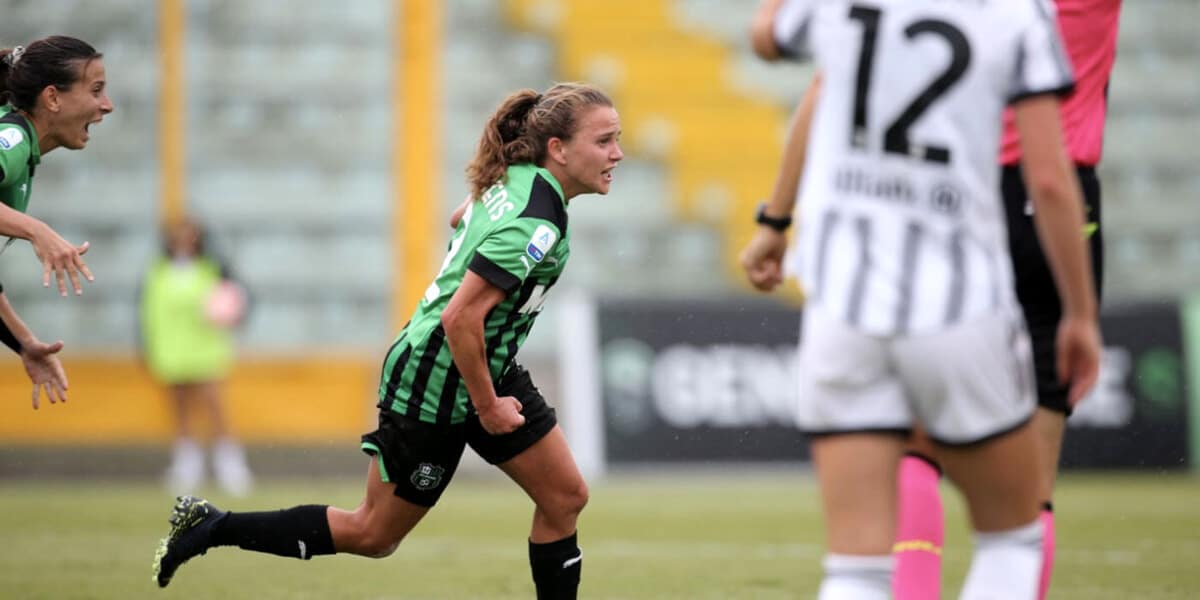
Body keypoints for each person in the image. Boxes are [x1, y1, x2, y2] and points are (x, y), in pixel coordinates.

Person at [152, 82, 623, 599]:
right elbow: (459, 318)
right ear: (558, 148)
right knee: (373, 533)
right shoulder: (534, 224)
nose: (616, 154)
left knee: (564, 497)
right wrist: (487, 407)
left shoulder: (522, 183)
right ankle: (210, 525)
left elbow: (461, 217)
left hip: (486, 364)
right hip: (434, 375)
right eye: (604, 142)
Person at [744, 1, 1101, 598]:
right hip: (961, 304)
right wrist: (1082, 314)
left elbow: (765, 36)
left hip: (843, 302)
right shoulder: (1018, 14)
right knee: (1011, 540)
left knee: (855, 568)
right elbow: (1048, 180)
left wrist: (775, 220)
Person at [889, 2, 1122, 598]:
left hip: (961, 191)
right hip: (1064, 200)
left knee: (919, 447)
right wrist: (1085, 315)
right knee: (1035, 481)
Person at [0, 35, 113, 408]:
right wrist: (37, 230)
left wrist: (24, 342)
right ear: (52, 98)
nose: (106, 106)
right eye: (96, 90)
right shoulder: (12, 138)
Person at [139, 217, 254, 497]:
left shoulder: (213, 269)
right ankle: (186, 468)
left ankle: (230, 467)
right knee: (180, 410)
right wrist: (148, 346)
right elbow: (149, 311)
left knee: (215, 408)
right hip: (171, 349)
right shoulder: (159, 271)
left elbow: (236, 300)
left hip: (205, 349)